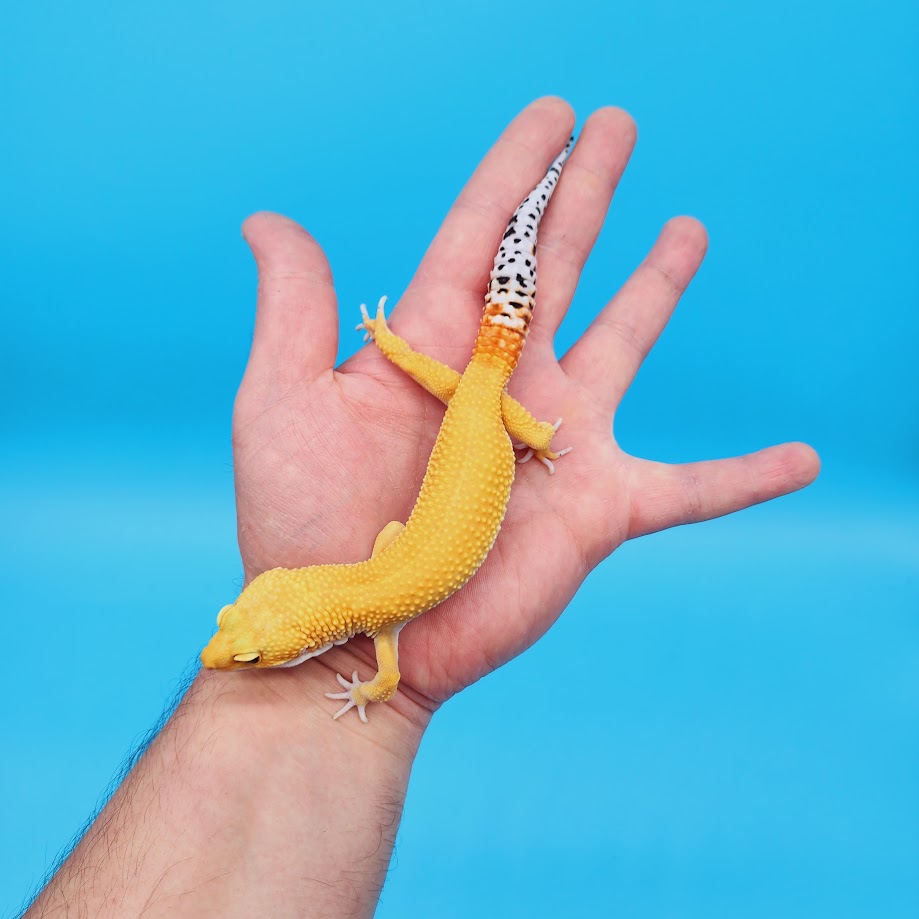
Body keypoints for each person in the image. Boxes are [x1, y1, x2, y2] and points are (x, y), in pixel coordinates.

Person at [24, 98, 819, 918]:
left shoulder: (382, 620)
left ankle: (530, 242)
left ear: (310, 612)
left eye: (246, 643)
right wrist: (527, 440)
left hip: (488, 417)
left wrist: (368, 691)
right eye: (249, 646)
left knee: (478, 373)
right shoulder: (377, 591)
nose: (222, 652)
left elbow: (394, 595)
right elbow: (399, 545)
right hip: (487, 416)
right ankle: (528, 283)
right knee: (478, 375)